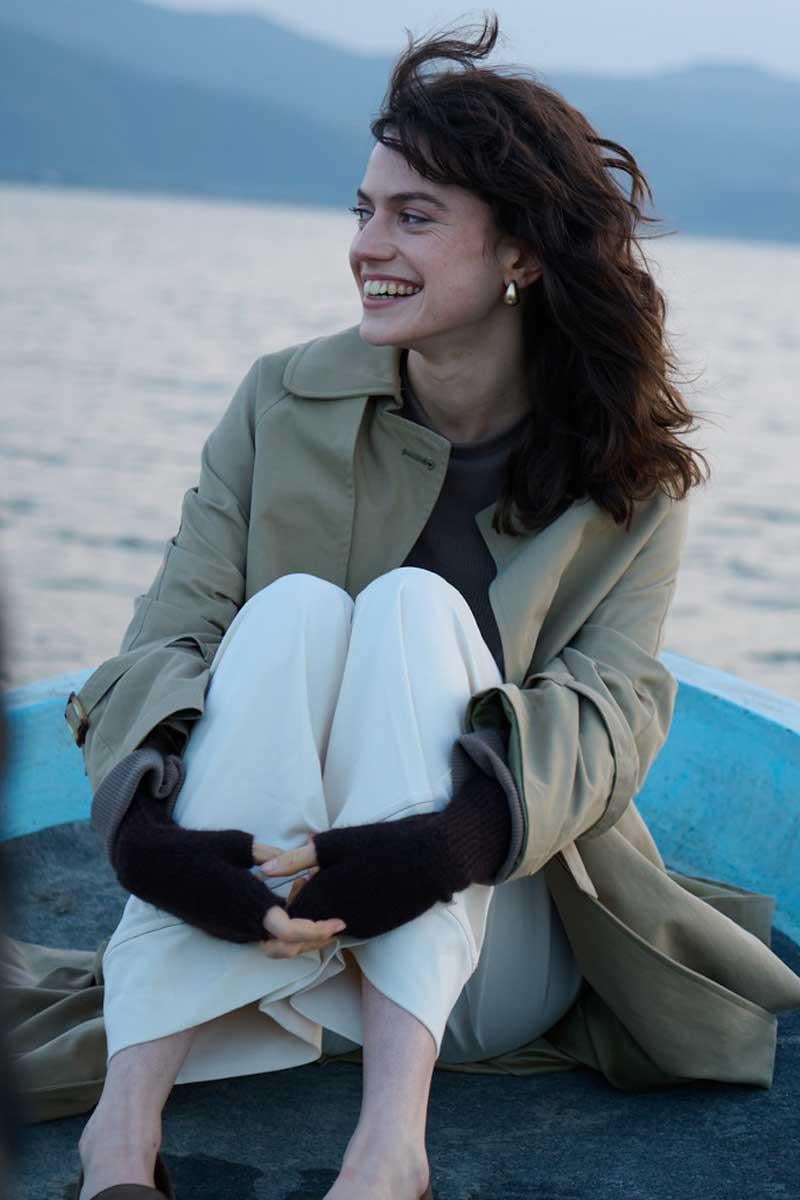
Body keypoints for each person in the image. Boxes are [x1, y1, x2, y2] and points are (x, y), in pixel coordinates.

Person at [63, 14, 800, 1200]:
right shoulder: (279, 401)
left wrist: (444, 843)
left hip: (479, 953)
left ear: (520, 252)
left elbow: (611, 713)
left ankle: (388, 1145)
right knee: (291, 612)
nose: (366, 245)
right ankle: (121, 1130)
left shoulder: (629, 473)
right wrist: (148, 839)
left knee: (409, 607)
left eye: (412, 216)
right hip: (266, 923)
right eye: (362, 209)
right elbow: (171, 634)